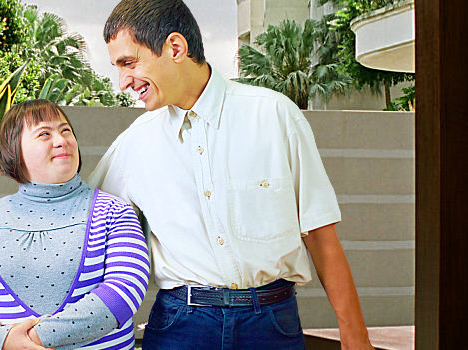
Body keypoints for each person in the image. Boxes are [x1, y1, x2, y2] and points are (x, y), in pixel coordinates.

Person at [84, 1, 371, 349]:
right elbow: (82, 229)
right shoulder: (134, 144)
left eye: (128, 63)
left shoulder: (274, 115)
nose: (122, 82)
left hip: (272, 326)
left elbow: (320, 236)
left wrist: (356, 339)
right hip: (180, 329)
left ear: (176, 47)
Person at [0, 100, 151, 350]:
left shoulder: (114, 212)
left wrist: (30, 340)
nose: (61, 140)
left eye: (65, 130)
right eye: (44, 134)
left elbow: (125, 288)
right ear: (14, 150)